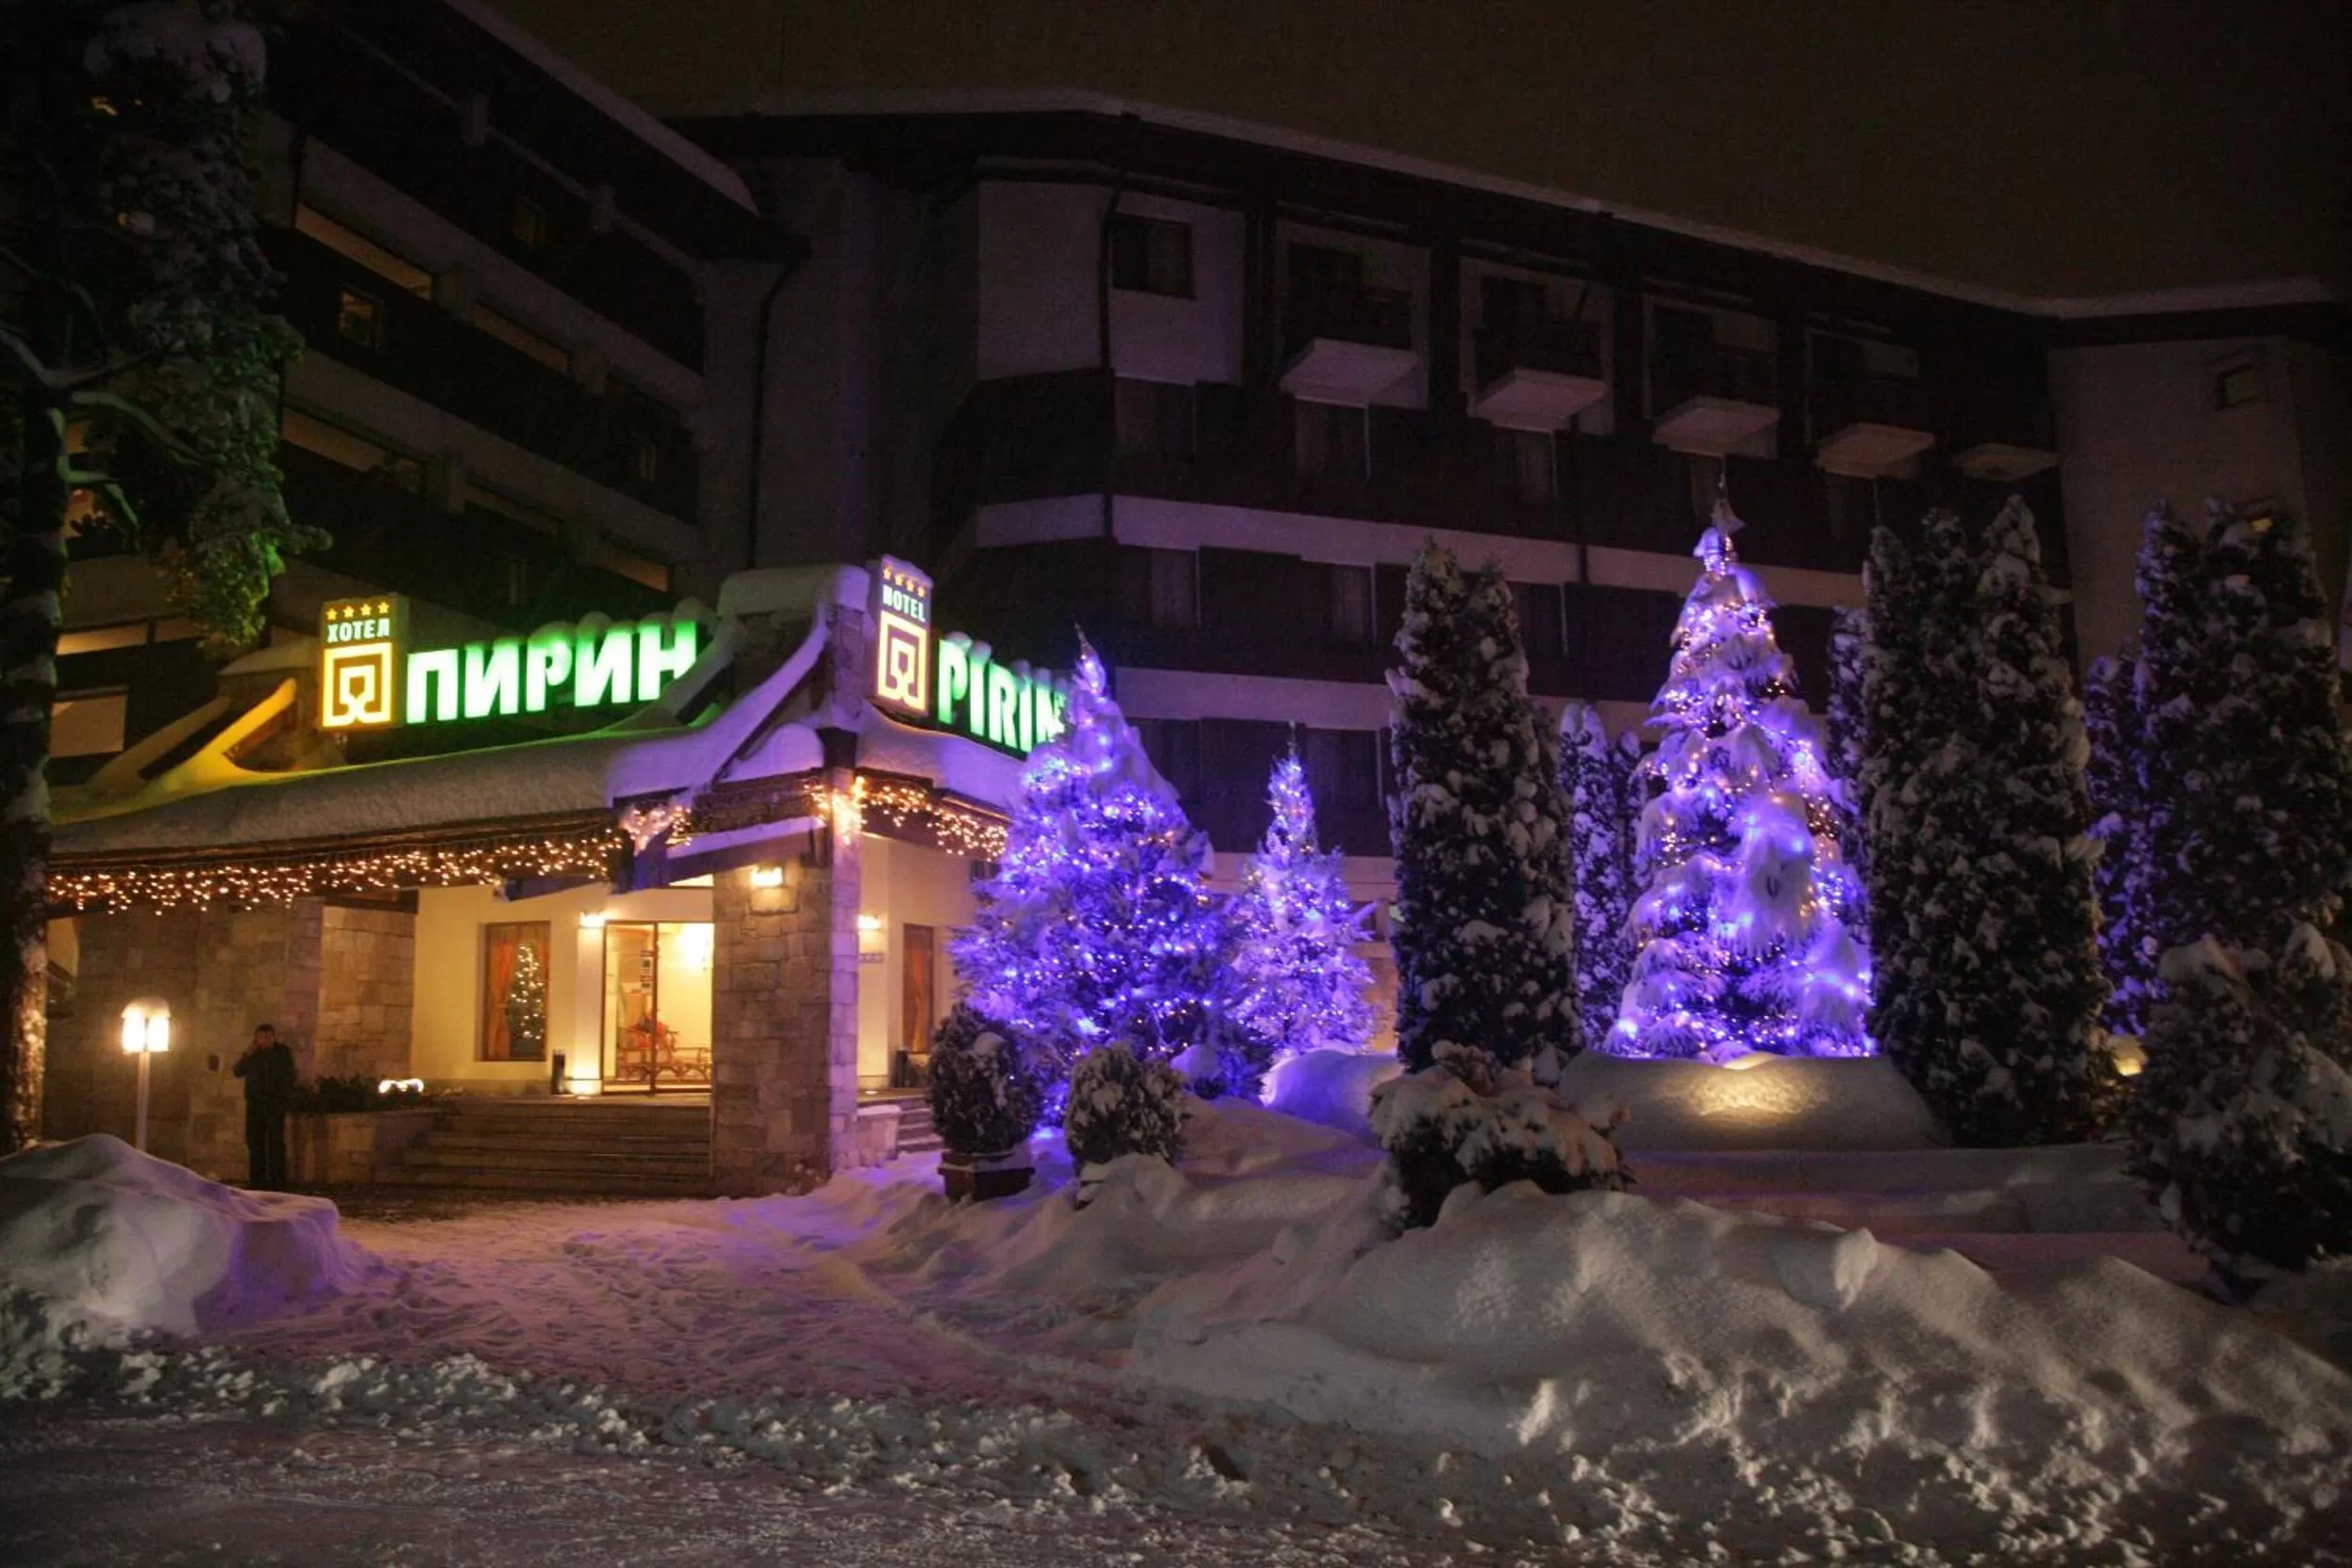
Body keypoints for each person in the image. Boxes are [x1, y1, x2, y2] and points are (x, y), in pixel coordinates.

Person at [232, 1023, 294, 1189]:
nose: (264, 1041)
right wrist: (247, 1054)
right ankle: (257, 1181)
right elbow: (237, 1072)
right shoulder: (253, 1055)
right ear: (256, 1039)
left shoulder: (282, 1053)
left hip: (274, 1105)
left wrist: (281, 1098)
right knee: (255, 1142)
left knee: (275, 1143)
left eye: (267, 1037)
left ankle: (277, 1182)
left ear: (273, 1037)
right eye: (261, 1038)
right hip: (255, 1104)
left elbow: (289, 1077)